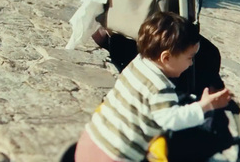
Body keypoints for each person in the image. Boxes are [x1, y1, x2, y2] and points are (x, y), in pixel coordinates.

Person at [74, 11, 231, 162]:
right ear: (166, 57)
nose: (191, 63)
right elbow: (171, 120)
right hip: (115, 155)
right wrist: (203, 106)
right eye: (190, 58)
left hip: (91, 141)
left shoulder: (137, 63)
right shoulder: (161, 87)